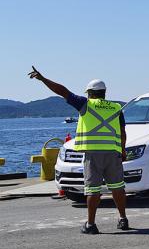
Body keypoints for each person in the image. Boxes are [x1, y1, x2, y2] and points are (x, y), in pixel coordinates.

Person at [29, 67, 130, 234]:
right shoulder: (116, 107)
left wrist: (43, 79)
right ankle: (123, 219)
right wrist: (123, 151)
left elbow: (62, 91)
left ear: (90, 93)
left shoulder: (85, 104)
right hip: (113, 152)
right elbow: (122, 131)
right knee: (118, 187)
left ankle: (91, 224)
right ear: (104, 93)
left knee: (93, 189)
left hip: (93, 154)